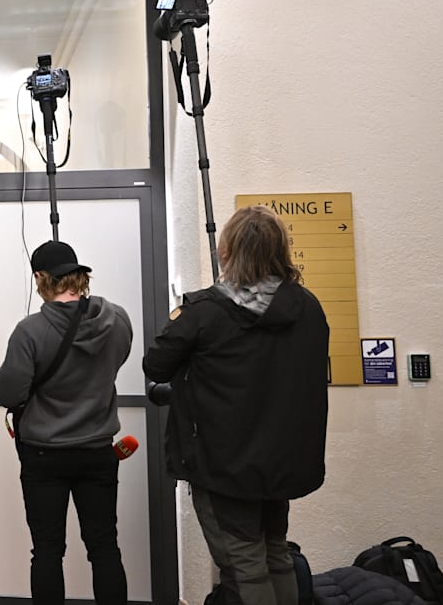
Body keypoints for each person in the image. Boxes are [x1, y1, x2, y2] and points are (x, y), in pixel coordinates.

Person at [144, 205, 329, 605]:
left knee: (243, 563)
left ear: (225, 252)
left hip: (223, 462)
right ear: (281, 250)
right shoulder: (308, 307)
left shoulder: (205, 311)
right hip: (282, 459)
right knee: (275, 553)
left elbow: (155, 364)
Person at [0, 240, 132, 605]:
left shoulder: (31, 331)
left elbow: (9, 392)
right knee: (104, 547)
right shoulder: (118, 320)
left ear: (41, 278)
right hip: (97, 451)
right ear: (79, 277)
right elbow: (116, 362)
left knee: (47, 550)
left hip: (44, 455)